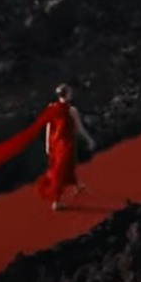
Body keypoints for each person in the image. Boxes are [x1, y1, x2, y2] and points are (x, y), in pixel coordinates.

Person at [37, 83, 96, 211]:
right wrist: (89, 140)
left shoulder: (51, 107)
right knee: (61, 170)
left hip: (55, 143)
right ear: (67, 94)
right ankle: (56, 201)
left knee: (65, 165)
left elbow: (49, 127)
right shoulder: (71, 110)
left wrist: (47, 144)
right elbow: (79, 128)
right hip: (66, 143)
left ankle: (76, 185)